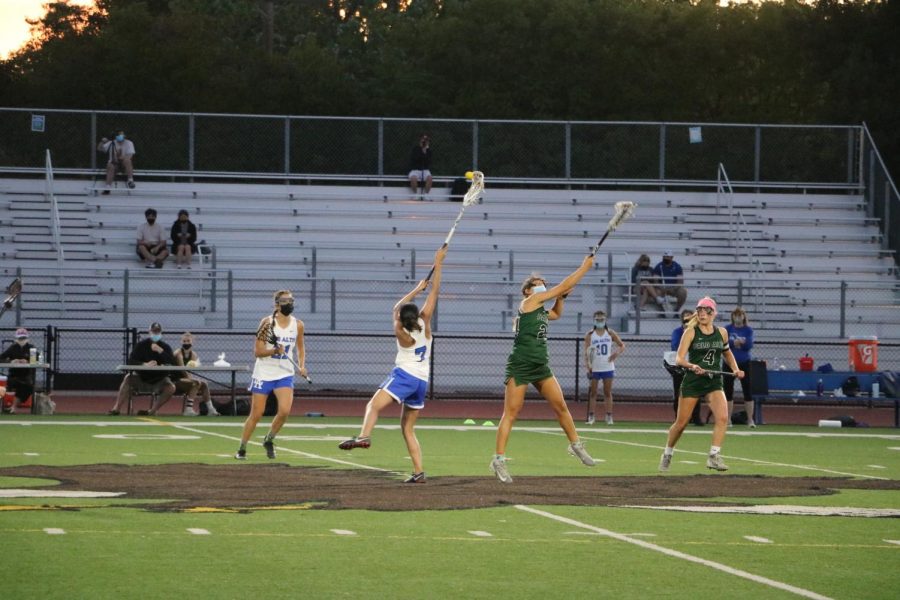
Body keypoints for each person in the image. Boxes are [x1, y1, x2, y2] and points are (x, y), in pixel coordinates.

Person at [338, 247, 447, 483]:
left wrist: (416, 289)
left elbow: (396, 309)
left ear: (401, 319)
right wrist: (438, 264)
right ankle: (419, 472)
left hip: (404, 375)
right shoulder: (425, 325)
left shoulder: (400, 332)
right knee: (407, 429)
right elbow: (435, 292)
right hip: (421, 381)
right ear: (417, 315)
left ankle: (364, 436)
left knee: (373, 406)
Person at [490, 256, 598, 484]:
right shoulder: (529, 303)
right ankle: (498, 459)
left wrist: (561, 298)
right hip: (521, 364)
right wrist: (584, 267)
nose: (541, 285)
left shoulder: (539, 309)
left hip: (540, 364)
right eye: (536, 283)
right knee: (511, 412)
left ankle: (576, 445)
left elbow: (556, 314)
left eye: (542, 283)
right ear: (527, 291)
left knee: (560, 406)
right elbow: (564, 285)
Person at [659, 297, 744, 473]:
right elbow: (679, 359)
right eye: (700, 310)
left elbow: (727, 354)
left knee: (722, 418)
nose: (703, 313)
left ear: (714, 313)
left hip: (713, 381)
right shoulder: (690, 332)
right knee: (681, 424)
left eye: (707, 310)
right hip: (694, 381)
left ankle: (714, 456)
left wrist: (736, 369)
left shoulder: (722, 333)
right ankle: (668, 452)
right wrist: (692, 366)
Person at [235, 289, 308, 460]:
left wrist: (302, 366)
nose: (289, 304)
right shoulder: (267, 323)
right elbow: (258, 352)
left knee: (284, 411)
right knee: (257, 414)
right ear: (277, 304)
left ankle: (269, 439)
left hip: (284, 374)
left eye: (291, 301)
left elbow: (301, 347)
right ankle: (242, 448)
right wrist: (274, 350)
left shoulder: (298, 325)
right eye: (285, 301)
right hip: (264, 374)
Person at [108, 322, 177, 416]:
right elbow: (131, 361)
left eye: (157, 332)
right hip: (141, 378)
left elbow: (172, 362)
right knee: (128, 378)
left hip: (159, 380)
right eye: (154, 332)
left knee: (171, 388)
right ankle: (116, 409)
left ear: (161, 333)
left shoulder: (165, 347)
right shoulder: (141, 345)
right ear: (149, 332)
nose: (155, 334)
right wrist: (144, 364)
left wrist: (160, 351)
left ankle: (152, 411)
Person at [583, 310, 625, 425]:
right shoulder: (590, 335)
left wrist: (615, 354)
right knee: (593, 392)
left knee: (607, 392)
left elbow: (622, 345)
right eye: (597, 320)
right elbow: (587, 352)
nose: (600, 321)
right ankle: (591, 416)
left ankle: (609, 416)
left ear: (605, 320)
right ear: (594, 320)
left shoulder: (610, 333)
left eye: (602, 319)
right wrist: (588, 366)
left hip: (607, 366)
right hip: (595, 367)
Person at [666, 309, 704, 426]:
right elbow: (675, 345)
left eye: (689, 316)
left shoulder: (697, 331)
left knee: (695, 392)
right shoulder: (678, 332)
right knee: (679, 392)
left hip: (693, 364)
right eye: (685, 316)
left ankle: (696, 417)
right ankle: (679, 418)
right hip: (680, 365)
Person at [173, 331, 220, 417]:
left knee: (204, 384)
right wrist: (192, 380)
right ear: (181, 342)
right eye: (184, 341)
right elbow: (183, 369)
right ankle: (189, 409)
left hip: (185, 379)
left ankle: (211, 409)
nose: (186, 343)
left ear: (192, 342)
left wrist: (191, 379)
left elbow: (190, 370)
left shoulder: (193, 354)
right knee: (196, 383)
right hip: (175, 379)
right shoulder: (178, 353)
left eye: (188, 341)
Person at [724, 307, 755, 428]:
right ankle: (728, 419)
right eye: (735, 315)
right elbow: (724, 343)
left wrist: (740, 343)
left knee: (747, 391)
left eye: (740, 315)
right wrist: (734, 343)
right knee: (728, 391)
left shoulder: (748, 330)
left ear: (744, 317)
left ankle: (750, 420)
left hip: (744, 363)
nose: (738, 317)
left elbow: (749, 344)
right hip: (729, 363)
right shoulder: (727, 329)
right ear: (732, 317)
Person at [0, 328, 36, 414]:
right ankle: (10, 408)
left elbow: (37, 359)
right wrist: (11, 361)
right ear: (16, 339)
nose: (22, 340)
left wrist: (27, 361)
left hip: (26, 376)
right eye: (20, 338)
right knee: (11, 385)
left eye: (23, 338)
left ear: (27, 338)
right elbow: (1, 358)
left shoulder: (31, 348)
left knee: (27, 387)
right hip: (13, 376)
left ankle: (13, 407)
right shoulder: (12, 348)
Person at [652, 251, 687, 317]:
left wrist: (673, 288)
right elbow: (655, 281)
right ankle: (661, 311)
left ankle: (676, 310)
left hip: (674, 288)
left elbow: (680, 282)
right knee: (656, 292)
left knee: (683, 292)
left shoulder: (677, 267)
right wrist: (661, 288)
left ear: (672, 257)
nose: (666, 258)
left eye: (667, 257)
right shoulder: (658, 266)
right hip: (662, 288)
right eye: (664, 257)